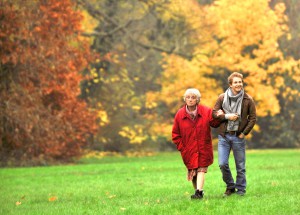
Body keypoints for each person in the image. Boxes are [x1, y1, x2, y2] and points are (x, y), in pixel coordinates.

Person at [213, 72, 256, 197]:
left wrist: (244, 133)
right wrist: (227, 116)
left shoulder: (248, 99)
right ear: (230, 85)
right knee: (222, 164)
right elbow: (214, 113)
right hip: (224, 136)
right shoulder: (222, 97)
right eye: (235, 82)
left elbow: (252, 118)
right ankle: (230, 186)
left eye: (240, 82)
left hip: (238, 136)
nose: (238, 84)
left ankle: (241, 190)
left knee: (240, 166)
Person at [172, 88, 220, 200]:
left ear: (197, 99)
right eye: (188, 97)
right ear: (185, 99)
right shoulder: (180, 114)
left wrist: (218, 116)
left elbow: (214, 123)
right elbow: (175, 134)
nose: (190, 100)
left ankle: (199, 192)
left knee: (201, 169)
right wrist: (182, 148)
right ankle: (198, 192)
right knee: (193, 172)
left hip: (203, 147)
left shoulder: (206, 111)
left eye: (193, 97)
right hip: (188, 149)